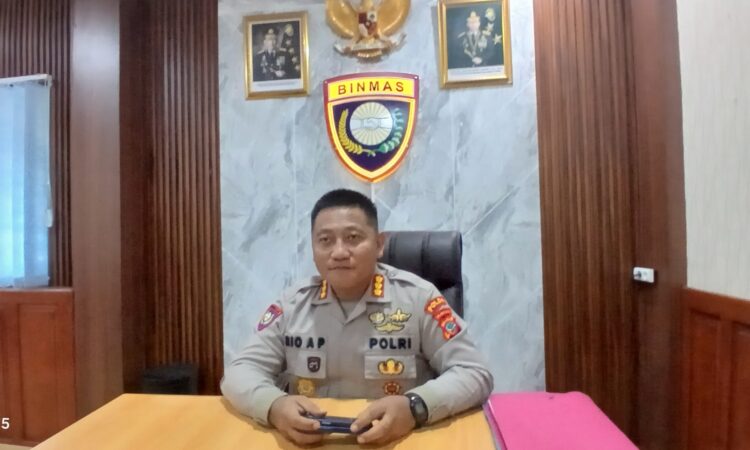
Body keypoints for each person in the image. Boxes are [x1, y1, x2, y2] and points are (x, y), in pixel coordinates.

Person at [221, 189, 493, 446]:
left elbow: (474, 372)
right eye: (325, 240)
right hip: (312, 444)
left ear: (379, 245)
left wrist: (415, 407)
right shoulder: (292, 304)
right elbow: (240, 372)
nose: (339, 252)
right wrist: (274, 406)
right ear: (313, 249)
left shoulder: (419, 298)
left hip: (399, 441)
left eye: (353, 238)